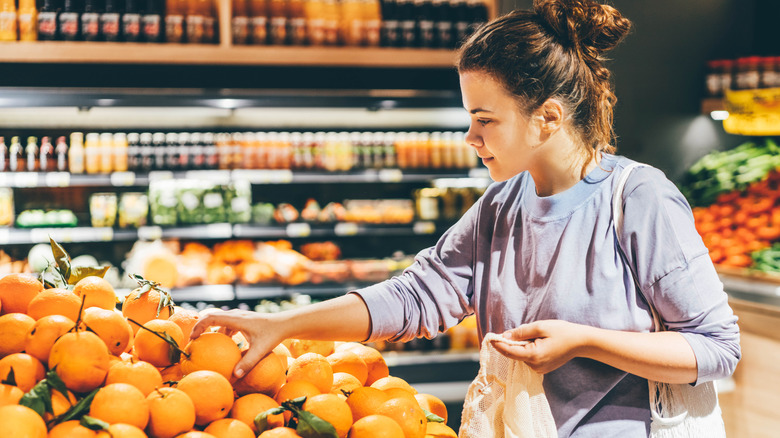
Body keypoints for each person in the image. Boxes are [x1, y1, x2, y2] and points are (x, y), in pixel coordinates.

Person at [191, 0, 741, 435]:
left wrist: (583, 341)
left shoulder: (639, 198)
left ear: (547, 117)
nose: (470, 137)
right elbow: (413, 298)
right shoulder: (499, 210)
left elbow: (717, 349)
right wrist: (283, 325)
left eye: (484, 119)